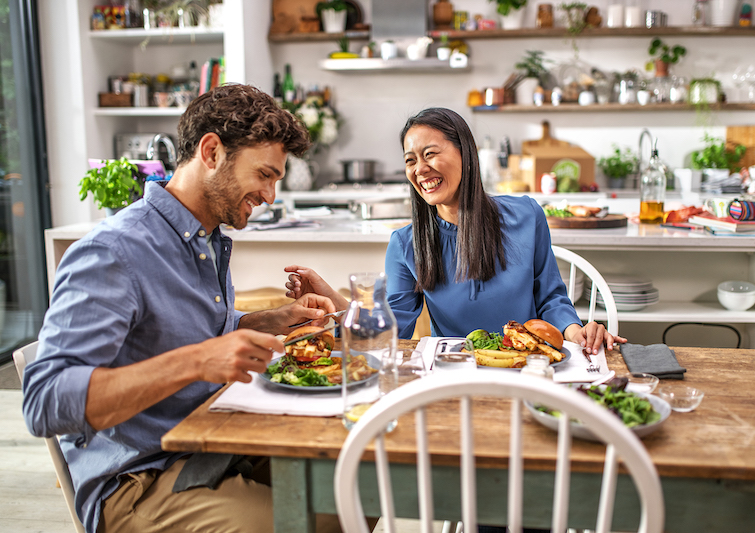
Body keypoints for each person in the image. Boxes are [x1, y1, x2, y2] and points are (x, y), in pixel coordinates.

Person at [21, 84, 340, 533]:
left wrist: (262, 322)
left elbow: (181, 331)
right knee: (310, 522)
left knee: (353, 486)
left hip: (213, 443)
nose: (270, 195)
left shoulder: (205, 239)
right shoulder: (115, 251)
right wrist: (196, 362)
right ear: (212, 151)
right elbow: (45, 402)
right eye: (264, 174)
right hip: (138, 479)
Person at [285, 107, 625, 354]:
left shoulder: (526, 215)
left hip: (530, 365)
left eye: (430, 154)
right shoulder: (406, 244)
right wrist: (330, 299)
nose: (420, 169)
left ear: (467, 154)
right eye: (410, 160)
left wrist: (575, 331)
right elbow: (387, 333)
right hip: (453, 375)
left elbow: (551, 297)